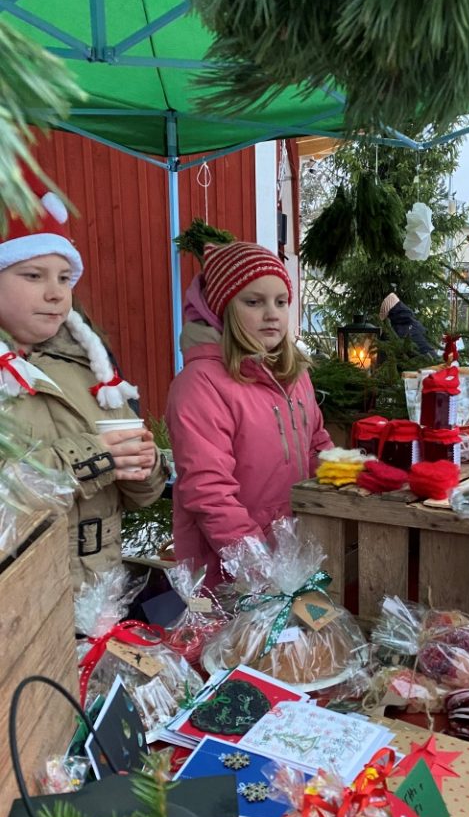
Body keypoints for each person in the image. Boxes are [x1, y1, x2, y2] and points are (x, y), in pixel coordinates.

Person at [0, 170, 165, 587]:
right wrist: (91, 458)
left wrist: (145, 466)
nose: (56, 293)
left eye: (63, 277)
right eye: (33, 276)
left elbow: (138, 497)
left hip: (100, 589)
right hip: (25, 603)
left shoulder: (91, 369)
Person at [166, 241, 334, 585]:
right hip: (229, 572)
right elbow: (209, 493)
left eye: (281, 301)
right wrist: (260, 569)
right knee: (242, 641)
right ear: (222, 308)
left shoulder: (294, 375)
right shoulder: (201, 385)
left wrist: (350, 478)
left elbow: (317, 445)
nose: (272, 313)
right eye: (253, 302)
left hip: (293, 556)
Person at [379, 292, 439, 360]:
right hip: (434, 363)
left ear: (390, 316)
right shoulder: (416, 324)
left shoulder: (393, 332)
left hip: (418, 368)